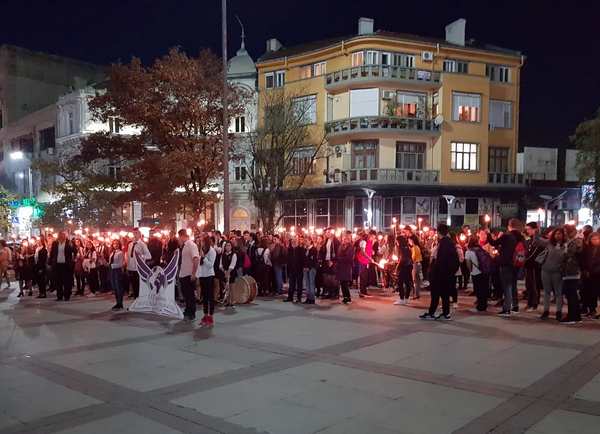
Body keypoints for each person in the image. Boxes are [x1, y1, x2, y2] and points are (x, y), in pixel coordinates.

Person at [420, 223, 459, 320]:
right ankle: (446, 314)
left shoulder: (443, 243)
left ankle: (432, 313)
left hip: (440, 274)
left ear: (438, 232)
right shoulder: (450, 242)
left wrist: (434, 272)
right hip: (447, 273)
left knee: (435, 294)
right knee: (444, 294)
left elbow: (441, 260)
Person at [487, 218, 524, 316]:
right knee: (513, 286)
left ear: (509, 225)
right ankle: (515, 306)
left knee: (507, 286)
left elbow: (493, 243)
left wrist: (488, 233)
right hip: (516, 264)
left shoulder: (507, 236)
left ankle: (506, 309)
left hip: (506, 264)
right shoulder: (521, 237)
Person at [539, 227, 566, 321]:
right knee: (547, 292)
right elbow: (538, 240)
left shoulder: (565, 245)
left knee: (558, 293)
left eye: (560, 234)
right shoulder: (549, 243)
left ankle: (559, 312)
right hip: (545, 270)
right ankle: (545, 311)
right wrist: (535, 232)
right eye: (556, 234)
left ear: (563, 235)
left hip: (558, 272)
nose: (558, 235)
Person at [560, 224, 582, 325]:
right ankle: (575, 316)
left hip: (572, 271)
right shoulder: (571, 241)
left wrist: (563, 255)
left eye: (565, 231)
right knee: (571, 294)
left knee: (571, 294)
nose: (564, 233)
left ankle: (572, 316)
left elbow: (570, 254)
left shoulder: (575, 241)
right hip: (569, 271)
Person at [178, 229, 200, 321]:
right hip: (183, 273)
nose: (178, 239)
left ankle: (191, 313)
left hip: (189, 274)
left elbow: (196, 259)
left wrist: (193, 273)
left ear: (182, 236)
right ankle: (187, 310)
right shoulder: (184, 246)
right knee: (186, 294)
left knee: (190, 295)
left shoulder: (191, 245)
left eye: (179, 237)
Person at [465, 236, 490, 312]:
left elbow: (468, 264)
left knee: (478, 289)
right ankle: (484, 305)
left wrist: (470, 271)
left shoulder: (469, 252)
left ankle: (480, 306)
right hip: (485, 272)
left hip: (476, 273)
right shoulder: (482, 249)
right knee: (484, 289)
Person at [126, 229, 151, 299]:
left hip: (138, 268)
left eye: (136, 233)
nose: (135, 235)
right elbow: (128, 256)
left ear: (140, 235)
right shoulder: (130, 244)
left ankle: (139, 299)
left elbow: (149, 256)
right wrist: (127, 266)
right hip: (131, 267)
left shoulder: (142, 244)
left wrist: (141, 256)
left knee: (138, 285)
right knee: (133, 285)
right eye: (134, 233)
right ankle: (135, 299)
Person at [524, 222, 544, 311]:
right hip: (528, 265)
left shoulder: (538, 240)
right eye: (527, 229)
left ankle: (534, 304)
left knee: (535, 285)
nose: (527, 231)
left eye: (529, 229)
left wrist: (525, 259)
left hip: (535, 265)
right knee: (529, 285)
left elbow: (533, 253)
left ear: (535, 229)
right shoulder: (530, 239)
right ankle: (529, 303)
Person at [49, 231, 75, 301]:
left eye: (63, 235)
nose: (61, 236)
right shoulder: (55, 243)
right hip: (57, 265)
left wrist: (72, 246)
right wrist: (50, 263)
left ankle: (67, 295)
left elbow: (74, 251)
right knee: (58, 281)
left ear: (65, 236)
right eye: (60, 235)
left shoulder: (68, 243)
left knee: (66, 281)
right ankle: (59, 296)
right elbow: (52, 253)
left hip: (66, 265)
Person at [198, 236, 216, 326]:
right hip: (202, 275)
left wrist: (204, 257)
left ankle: (211, 316)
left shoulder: (212, 251)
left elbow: (210, 265)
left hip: (209, 275)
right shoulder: (201, 250)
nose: (201, 243)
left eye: (202, 241)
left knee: (210, 297)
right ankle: (205, 315)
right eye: (201, 241)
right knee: (204, 297)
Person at [582, 232, 600, 319]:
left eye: (596, 239)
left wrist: (595, 270)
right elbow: (584, 261)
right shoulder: (587, 249)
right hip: (588, 274)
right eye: (593, 239)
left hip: (597, 274)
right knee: (589, 293)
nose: (595, 241)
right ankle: (591, 310)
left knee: (595, 293)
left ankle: (596, 311)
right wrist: (586, 270)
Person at [394, 235, 414, 305]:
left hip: (404, 266)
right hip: (409, 266)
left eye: (397, 241)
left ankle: (402, 299)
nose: (397, 243)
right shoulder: (407, 247)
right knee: (407, 282)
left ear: (399, 241)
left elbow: (403, 258)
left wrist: (397, 267)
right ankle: (406, 298)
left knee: (400, 282)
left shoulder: (402, 248)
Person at [284, 237, 305, 303]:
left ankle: (299, 298)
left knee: (299, 284)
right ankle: (290, 297)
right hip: (291, 269)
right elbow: (288, 259)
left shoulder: (301, 249)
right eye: (292, 241)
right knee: (291, 284)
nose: (293, 242)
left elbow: (302, 259)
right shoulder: (289, 249)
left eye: (295, 241)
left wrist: (302, 267)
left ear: (297, 242)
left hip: (299, 269)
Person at [336, 231, 354, 304]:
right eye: (343, 238)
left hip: (346, 267)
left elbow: (349, 257)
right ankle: (345, 297)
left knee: (345, 283)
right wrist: (340, 257)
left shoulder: (350, 247)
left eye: (346, 238)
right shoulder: (341, 246)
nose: (344, 239)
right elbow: (338, 254)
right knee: (342, 283)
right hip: (341, 267)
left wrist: (340, 258)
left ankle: (348, 297)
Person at [219, 240, 237, 306]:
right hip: (224, 272)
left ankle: (232, 301)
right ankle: (227, 301)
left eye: (229, 245)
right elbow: (220, 265)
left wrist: (228, 272)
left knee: (231, 287)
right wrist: (224, 271)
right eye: (226, 245)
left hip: (231, 272)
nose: (228, 247)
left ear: (231, 247)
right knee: (226, 287)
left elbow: (232, 264)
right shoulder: (223, 255)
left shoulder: (234, 254)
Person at [109, 239, 125, 310]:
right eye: (114, 244)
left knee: (118, 287)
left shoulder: (120, 253)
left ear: (119, 245)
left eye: (117, 244)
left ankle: (120, 303)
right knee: (114, 287)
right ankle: (117, 302)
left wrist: (112, 265)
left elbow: (121, 264)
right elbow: (109, 262)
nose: (115, 245)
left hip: (117, 271)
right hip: (112, 271)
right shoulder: (112, 253)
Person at [303, 237, 318, 304]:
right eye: (305, 241)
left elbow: (313, 260)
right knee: (307, 284)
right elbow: (305, 260)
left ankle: (312, 298)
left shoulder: (313, 249)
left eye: (306, 241)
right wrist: (304, 267)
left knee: (311, 283)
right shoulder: (306, 249)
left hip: (312, 268)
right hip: (306, 269)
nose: (305, 242)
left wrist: (308, 267)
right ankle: (308, 298)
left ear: (310, 241)